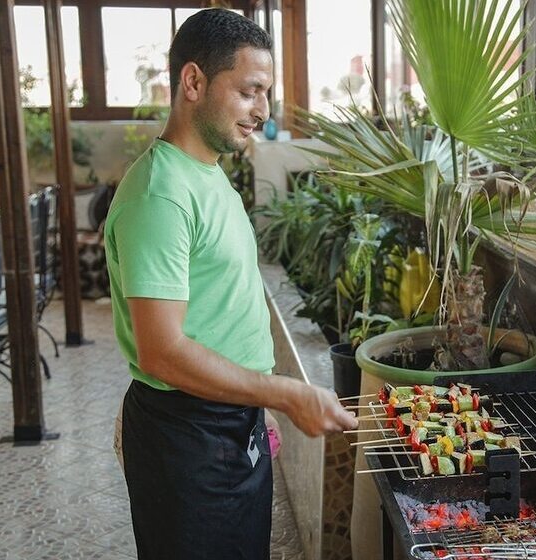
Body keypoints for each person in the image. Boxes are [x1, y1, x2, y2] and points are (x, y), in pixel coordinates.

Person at [104, 9, 358, 560]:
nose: (263, 111)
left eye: (266, 93)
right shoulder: (160, 195)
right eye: (249, 92)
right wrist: (285, 393)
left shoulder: (208, 173)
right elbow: (161, 351)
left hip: (226, 420)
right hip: (189, 439)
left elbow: (219, 311)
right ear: (193, 82)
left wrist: (252, 408)